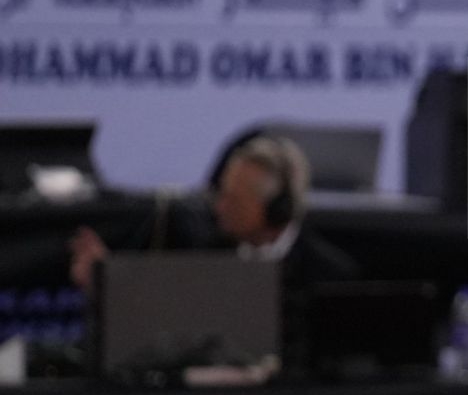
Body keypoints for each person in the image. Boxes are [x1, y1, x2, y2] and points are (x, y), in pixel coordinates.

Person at [69, 134, 359, 366]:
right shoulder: (209, 253)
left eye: (233, 201)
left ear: (275, 211)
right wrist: (107, 283)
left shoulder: (329, 276)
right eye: (220, 195)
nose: (219, 208)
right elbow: (165, 325)